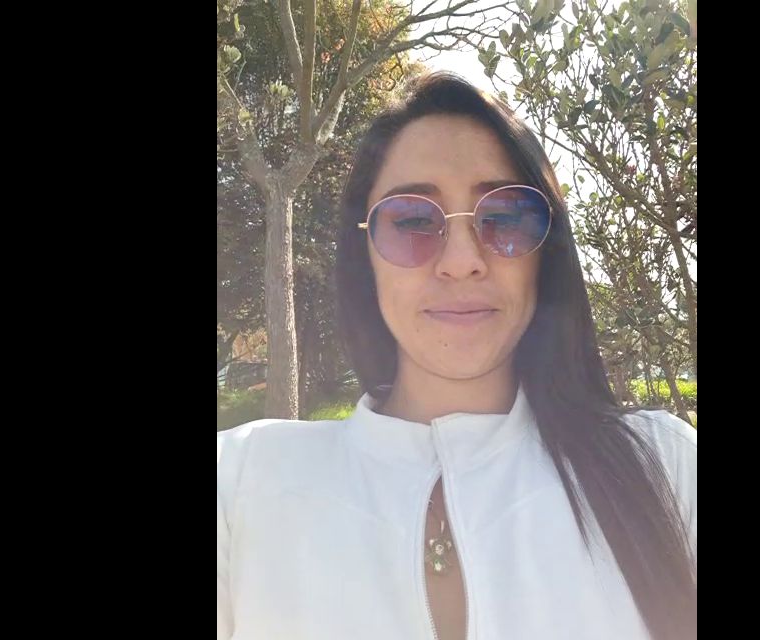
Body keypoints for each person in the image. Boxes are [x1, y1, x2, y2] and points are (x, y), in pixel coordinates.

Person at [218, 72, 696, 640]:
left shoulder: (665, 470)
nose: (462, 261)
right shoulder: (241, 485)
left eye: (505, 217)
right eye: (414, 221)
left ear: (546, 252)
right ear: (363, 253)